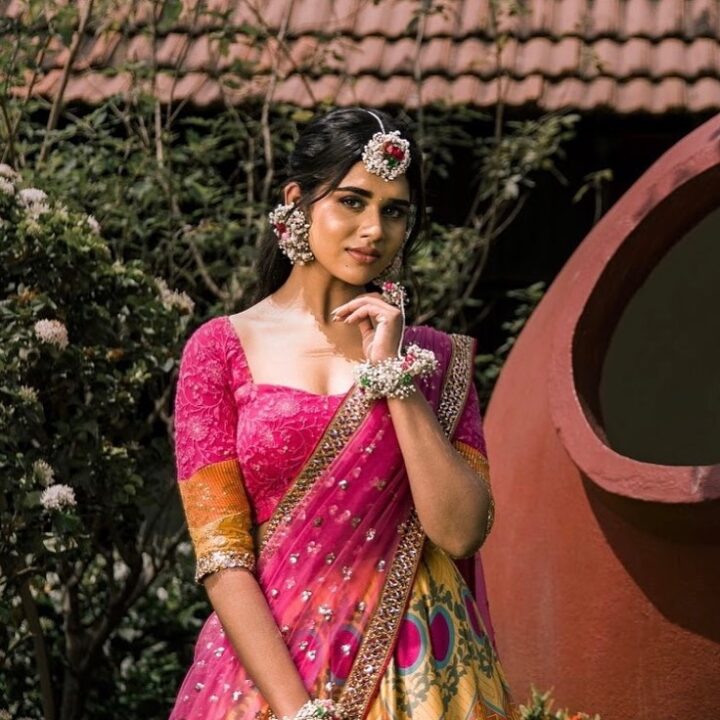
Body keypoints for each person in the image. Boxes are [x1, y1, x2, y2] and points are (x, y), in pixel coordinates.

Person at [169, 108, 517, 720]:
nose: (372, 229)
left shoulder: (433, 361)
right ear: (297, 201)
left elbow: (462, 531)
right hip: (265, 681)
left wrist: (395, 379)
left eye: (394, 210)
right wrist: (299, 711)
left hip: (419, 672)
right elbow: (222, 558)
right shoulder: (220, 351)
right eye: (352, 201)